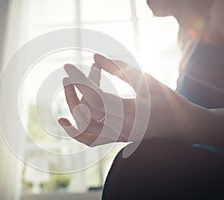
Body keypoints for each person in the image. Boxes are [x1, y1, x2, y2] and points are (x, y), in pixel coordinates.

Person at [58, 0, 224, 199]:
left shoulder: (218, 12)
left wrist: (187, 120)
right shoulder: (185, 38)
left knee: (141, 163)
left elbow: (192, 121)